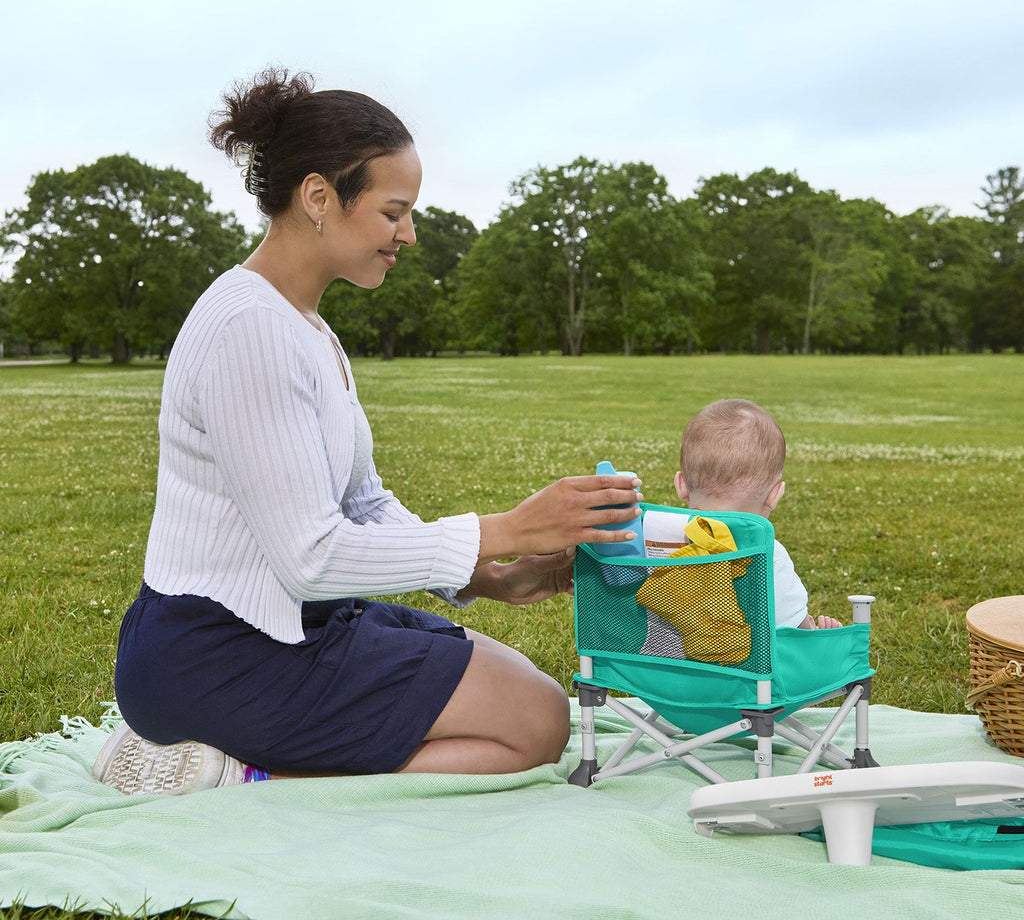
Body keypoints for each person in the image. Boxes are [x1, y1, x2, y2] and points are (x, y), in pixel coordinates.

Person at [92, 68, 643, 795]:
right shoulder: (248, 328)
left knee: (538, 705)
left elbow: (364, 502)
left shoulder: (305, 327)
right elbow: (312, 556)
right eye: (394, 212)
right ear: (320, 198)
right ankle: (229, 770)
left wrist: (486, 575)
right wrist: (507, 528)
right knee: (535, 727)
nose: (408, 233)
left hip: (300, 622)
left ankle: (244, 759)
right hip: (218, 654)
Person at [637, 398, 839, 659]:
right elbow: (795, 643)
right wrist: (817, 637)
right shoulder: (768, 556)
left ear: (681, 485)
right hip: (744, 682)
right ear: (775, 495)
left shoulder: (647, 538)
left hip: (656, 676)